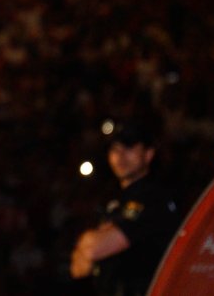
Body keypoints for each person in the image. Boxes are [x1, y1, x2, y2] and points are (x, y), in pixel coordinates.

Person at [71, 122, 180, 296]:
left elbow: (93, 249)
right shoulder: (113, 198)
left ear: (148, 154)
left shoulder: (153, 197)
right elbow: (79, 265)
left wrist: (93, 241)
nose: (120, 156)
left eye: (129, 148)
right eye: (115, 149)